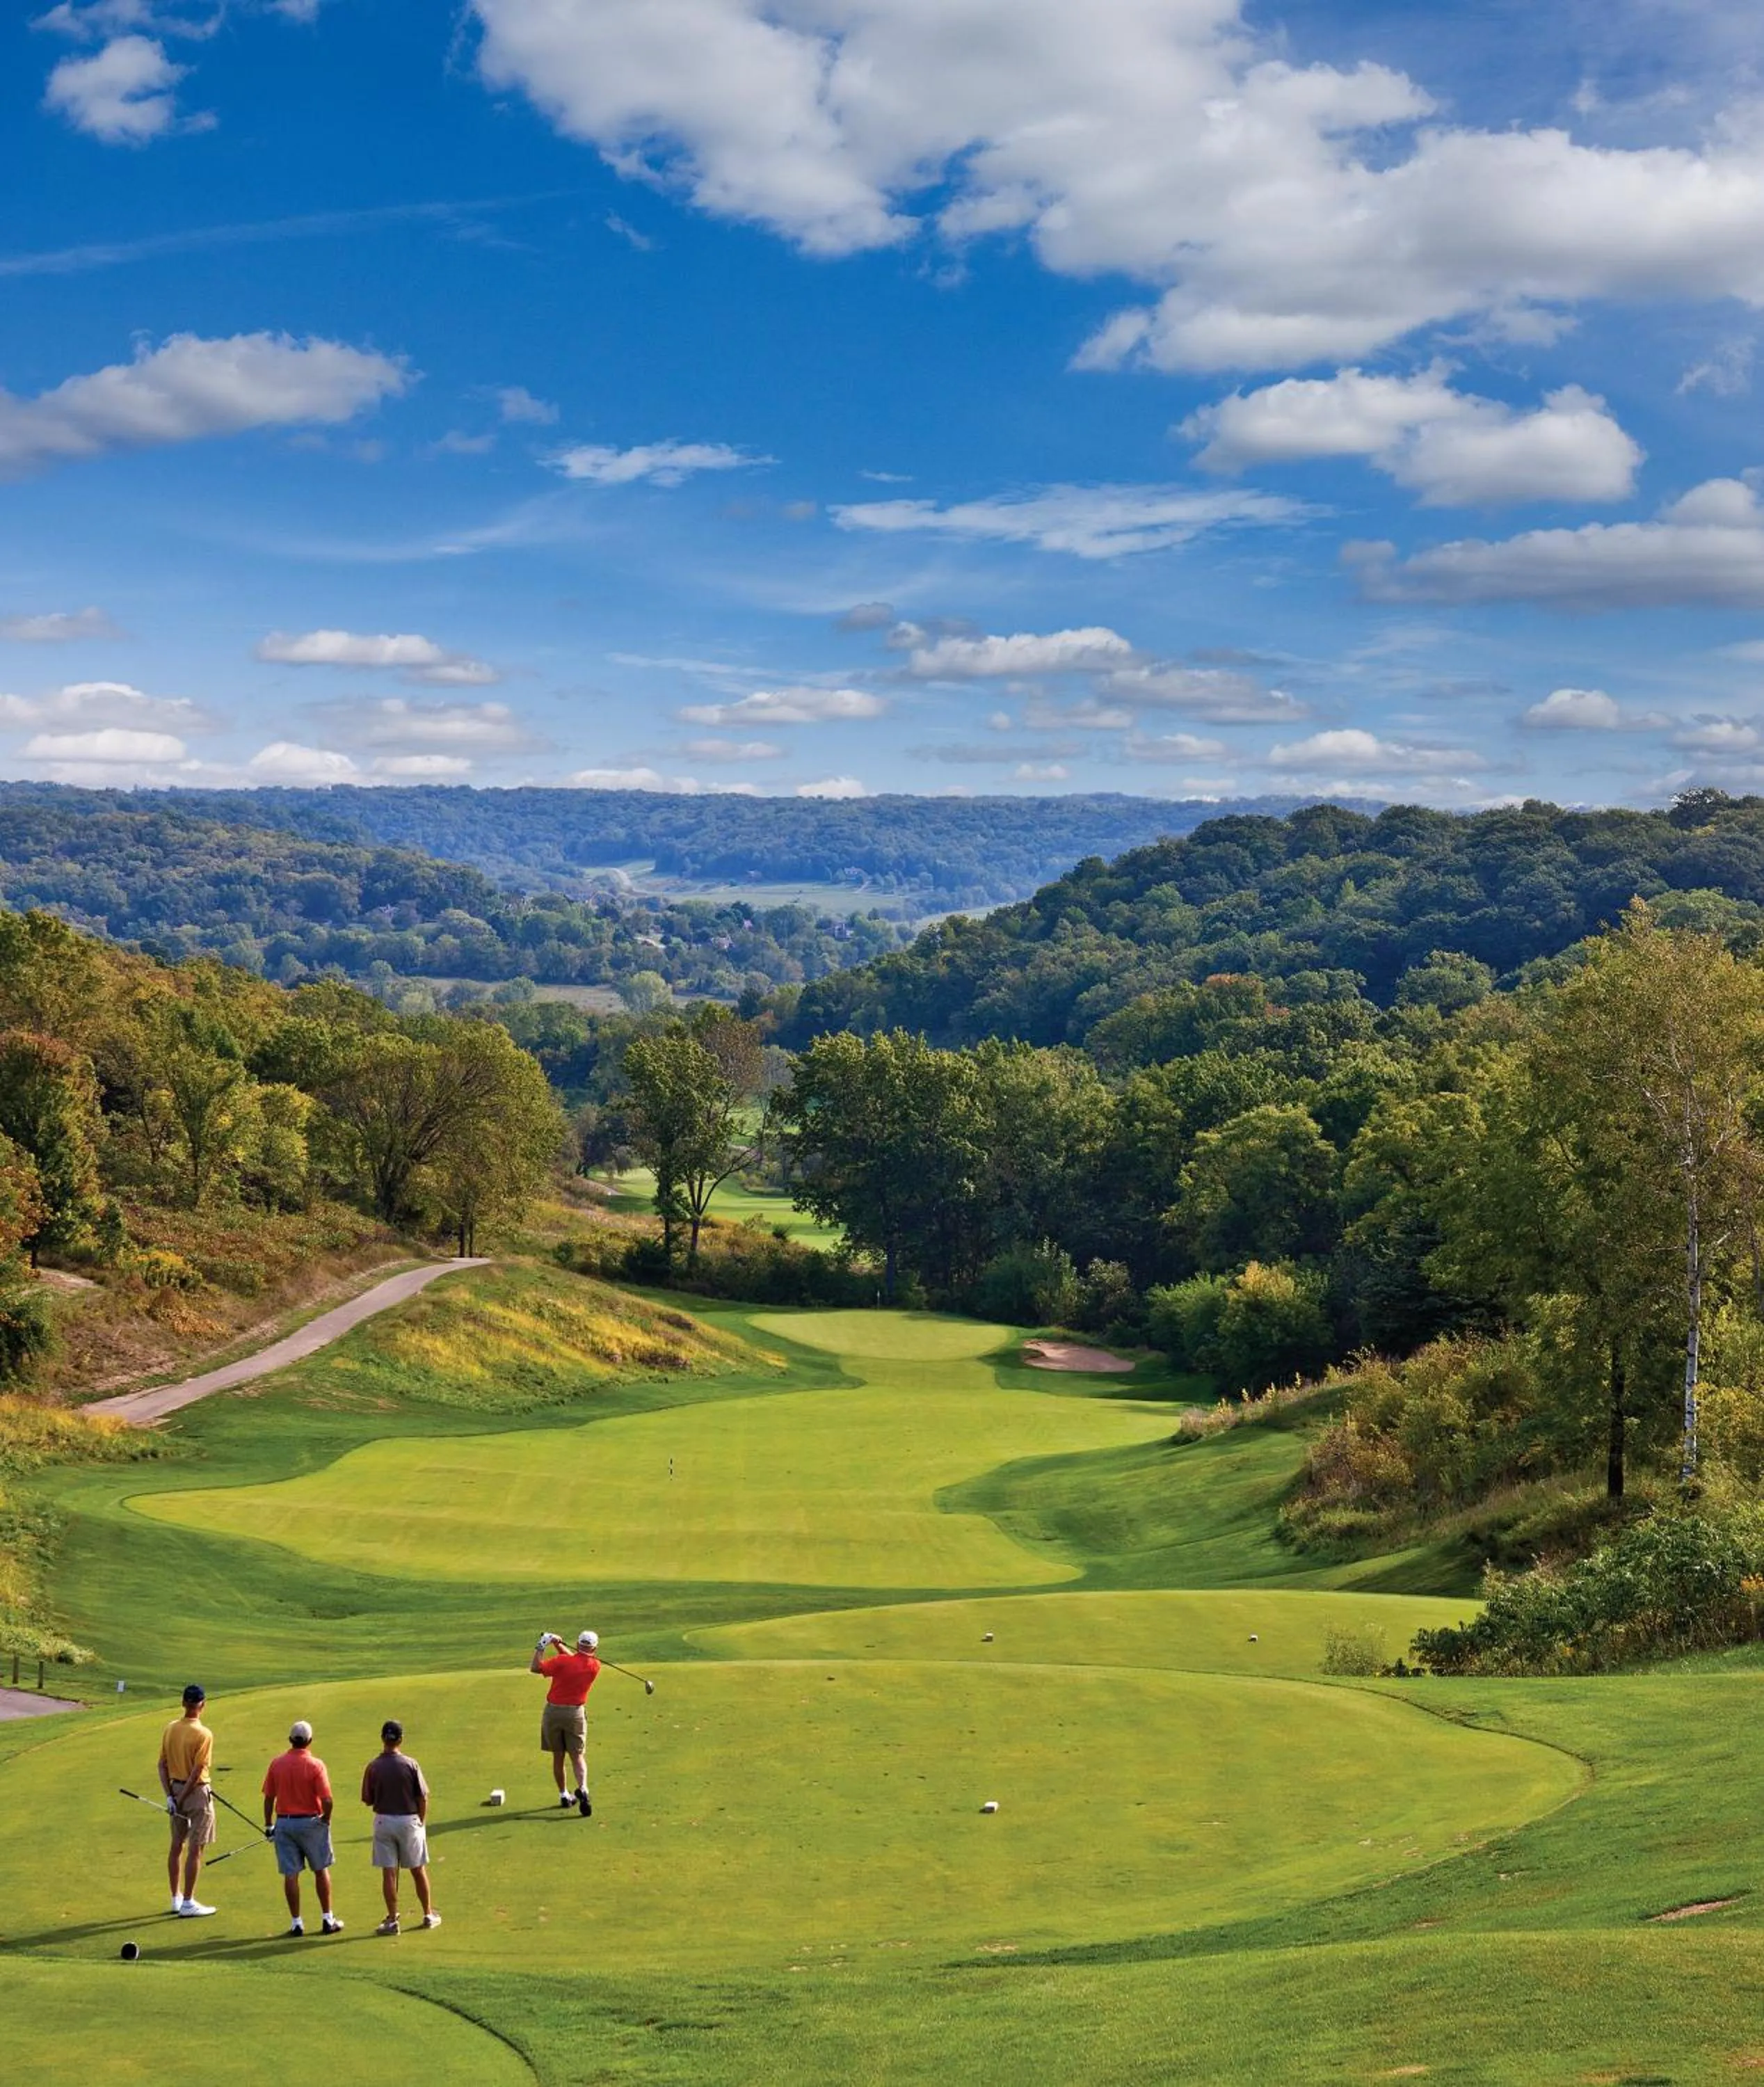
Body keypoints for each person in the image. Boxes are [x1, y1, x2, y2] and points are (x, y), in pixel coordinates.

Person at [262, 1718, 342, 1937]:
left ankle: (297, 1923)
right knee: (321, 1870)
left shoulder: (277, 1763)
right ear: (310, 1741)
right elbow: (327, 1800)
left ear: (291, 1740)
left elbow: (269, 1798)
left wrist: (269, 1824)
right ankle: (327, 1919)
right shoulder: (316, 1765)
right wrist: (326, 1818)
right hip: (311, 1823)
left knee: (291, 1874)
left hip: (285, 1824)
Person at [360, 1718, 438, 1935]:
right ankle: (428, 1914)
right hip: (409, 1821)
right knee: (418, 1870)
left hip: (384, 1821)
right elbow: (422, 1797)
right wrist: (421, 1822)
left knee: (389, 1873)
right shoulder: (411, 1764)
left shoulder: (373, 1766)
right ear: (401, 1739)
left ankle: (393, 1920)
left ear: (382, 1738)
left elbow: (368, 1799)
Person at [157, 1682, 216, 1918]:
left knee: (176, 1845)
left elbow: (162, 1765)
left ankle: (176, 1898)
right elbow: (198, 1770)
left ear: (184, 1703)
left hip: (175, 1789)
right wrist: (181, 1798)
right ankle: (188, 1902)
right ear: (203, 1705)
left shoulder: (171, 1728)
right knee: (196, 1848)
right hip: (197, 1793)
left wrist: (171, 1797)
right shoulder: (204, 1733)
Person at [529, 1629, 600, 1814]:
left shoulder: (563, 1662)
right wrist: (558, 1645)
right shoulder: (595, 1666)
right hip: (576, 1714)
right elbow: (576, 1661)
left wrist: (543, 1644)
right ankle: (583, 1789)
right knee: (577, 1756)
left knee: (558, 1756)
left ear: (577, 1644)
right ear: (595, 1649)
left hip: (553, 1713)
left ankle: (563, 1795)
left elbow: (535, 1667)